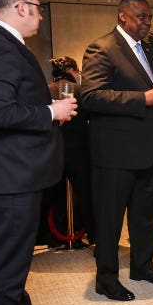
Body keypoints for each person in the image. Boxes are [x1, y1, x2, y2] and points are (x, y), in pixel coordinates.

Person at [0, 0, 78, 305]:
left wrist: (47, 107)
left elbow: (9, 105)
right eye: (39, 10)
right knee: (7, 273)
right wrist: (51, 113)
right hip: (10, 176)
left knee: (11, 268)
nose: (41, 17)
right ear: (20, 7)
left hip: (14, 173)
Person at [81, 0, 153, 302]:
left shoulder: (150, 51)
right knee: (110, 220)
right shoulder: (102, 48)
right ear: (123, 16)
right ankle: (106, 280)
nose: (147, 22)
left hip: (149, 148)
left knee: (146, 216)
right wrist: (144, 99)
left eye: (149, 17)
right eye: (141, 17)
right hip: (115, 153)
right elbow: (91, 97)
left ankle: (142, 266)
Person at [47, 56, 96, 246]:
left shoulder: (45, 89)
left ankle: (56, 237)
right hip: (79, 151)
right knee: (86, 197)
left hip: (53, 151)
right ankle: (94, 237)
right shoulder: (80, 90)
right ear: (72, 71)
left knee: (56, 196)